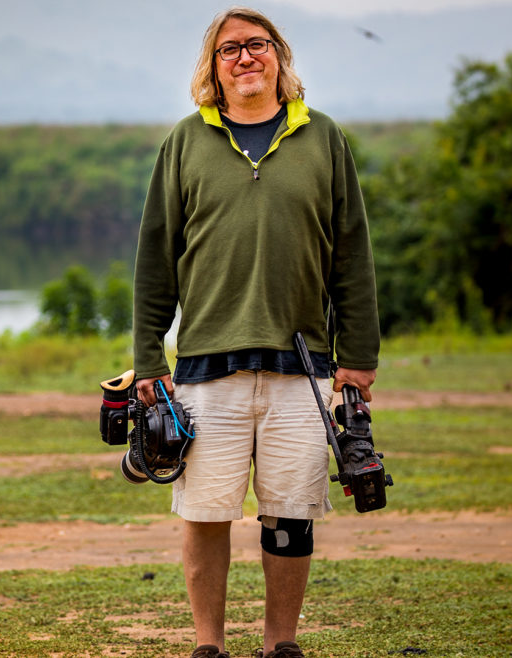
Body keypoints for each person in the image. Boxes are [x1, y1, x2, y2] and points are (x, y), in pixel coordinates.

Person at [131, 7, 380, 658]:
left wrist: (358, 356)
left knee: (291, 512)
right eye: (230, 50)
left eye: (257, 46)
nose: (245, 58)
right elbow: (155, 259)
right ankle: (208, 646)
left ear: (279, 57)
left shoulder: (323, 138)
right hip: (206, 365)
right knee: (205, 511)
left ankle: (280, 645)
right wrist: (147, 357)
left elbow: (352, 254)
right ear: (212, 70)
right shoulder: (186, 143)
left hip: (303, 364)